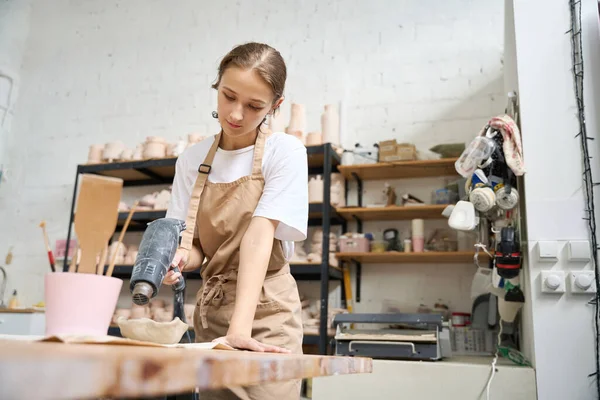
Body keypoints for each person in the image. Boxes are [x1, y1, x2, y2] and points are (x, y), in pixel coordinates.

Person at [164, 42, 308, 399]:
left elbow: (259, 237)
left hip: (265, 312)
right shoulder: (193, 160)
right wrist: (181, 258)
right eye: (229, 96)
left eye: (254, 105)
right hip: (213, 311)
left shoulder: (284, 152)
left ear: (275, 106)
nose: (237, 114)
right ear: (217, 87)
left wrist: (240, 330)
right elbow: (194, 244)